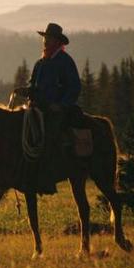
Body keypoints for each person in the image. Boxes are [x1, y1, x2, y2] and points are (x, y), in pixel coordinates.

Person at [15, 23, 82, 193]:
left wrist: (61, 105)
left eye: (49, 38)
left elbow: (74, 87)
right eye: (45, 38)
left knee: (50, 136)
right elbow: (34, 86)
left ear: (57, 41)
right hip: (37, 108)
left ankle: (48, 178)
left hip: (56, 110)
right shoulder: (41, 62)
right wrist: (26, 91)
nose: (45, 41)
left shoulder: (65, 62)